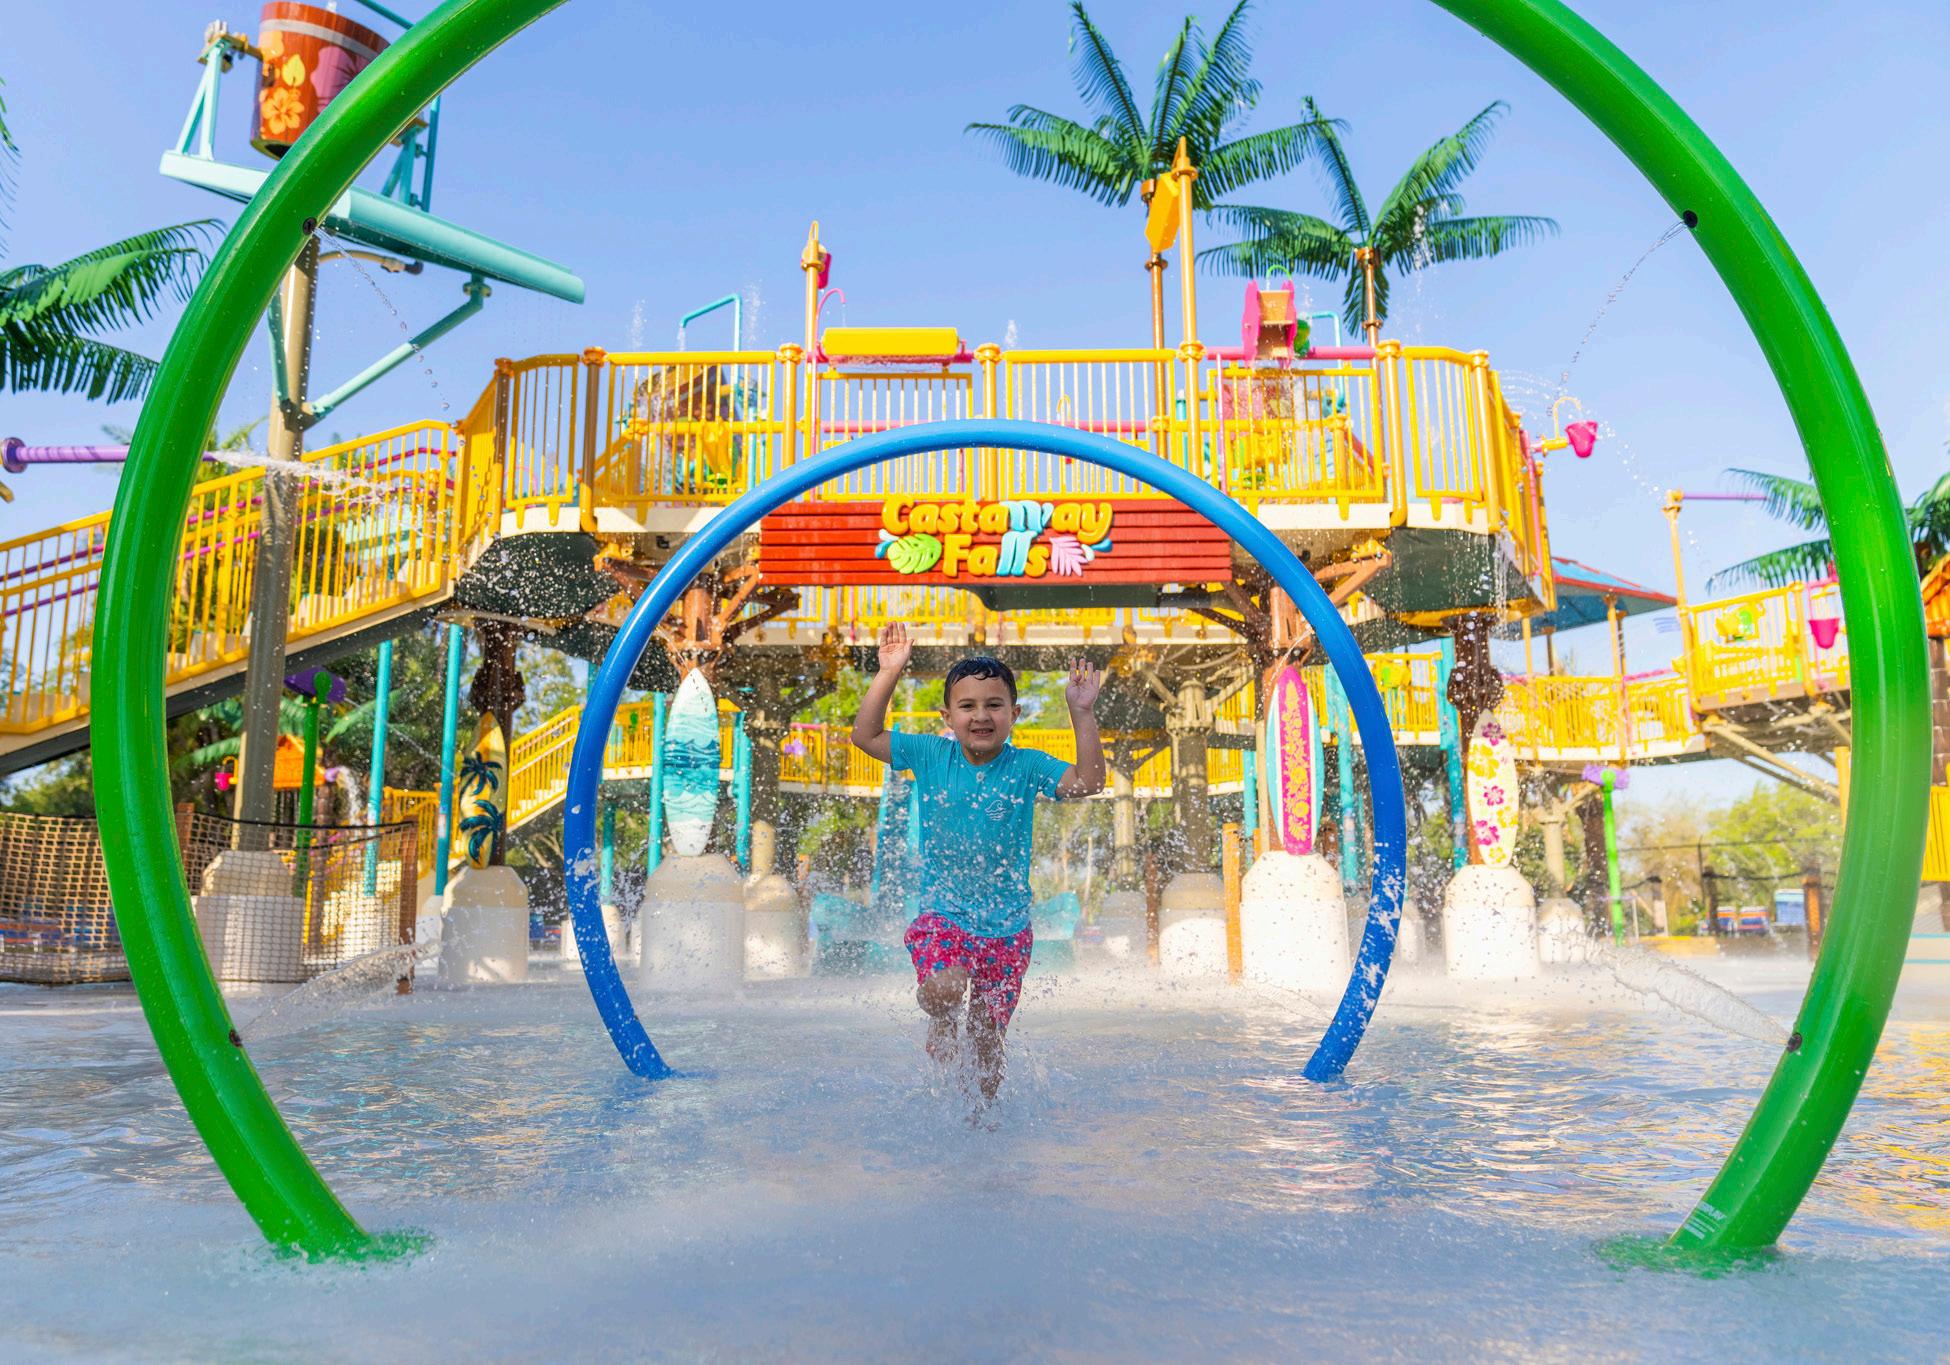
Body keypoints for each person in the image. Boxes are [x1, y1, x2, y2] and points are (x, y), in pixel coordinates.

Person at [849, 622, 1106, 1101]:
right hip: (944, 917)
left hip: (1008, 930)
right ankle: (941, 1015)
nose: (981, 716)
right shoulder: (931, 754)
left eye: (994, 705)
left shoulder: (1027, 765)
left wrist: (1082, 712)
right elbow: (865, 736)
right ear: (947, 716)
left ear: (1014, 714)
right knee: (947, 988)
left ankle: (979, 1124)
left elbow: (1088, 783)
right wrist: (889, 672)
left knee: (988, 1045)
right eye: (967, 706)